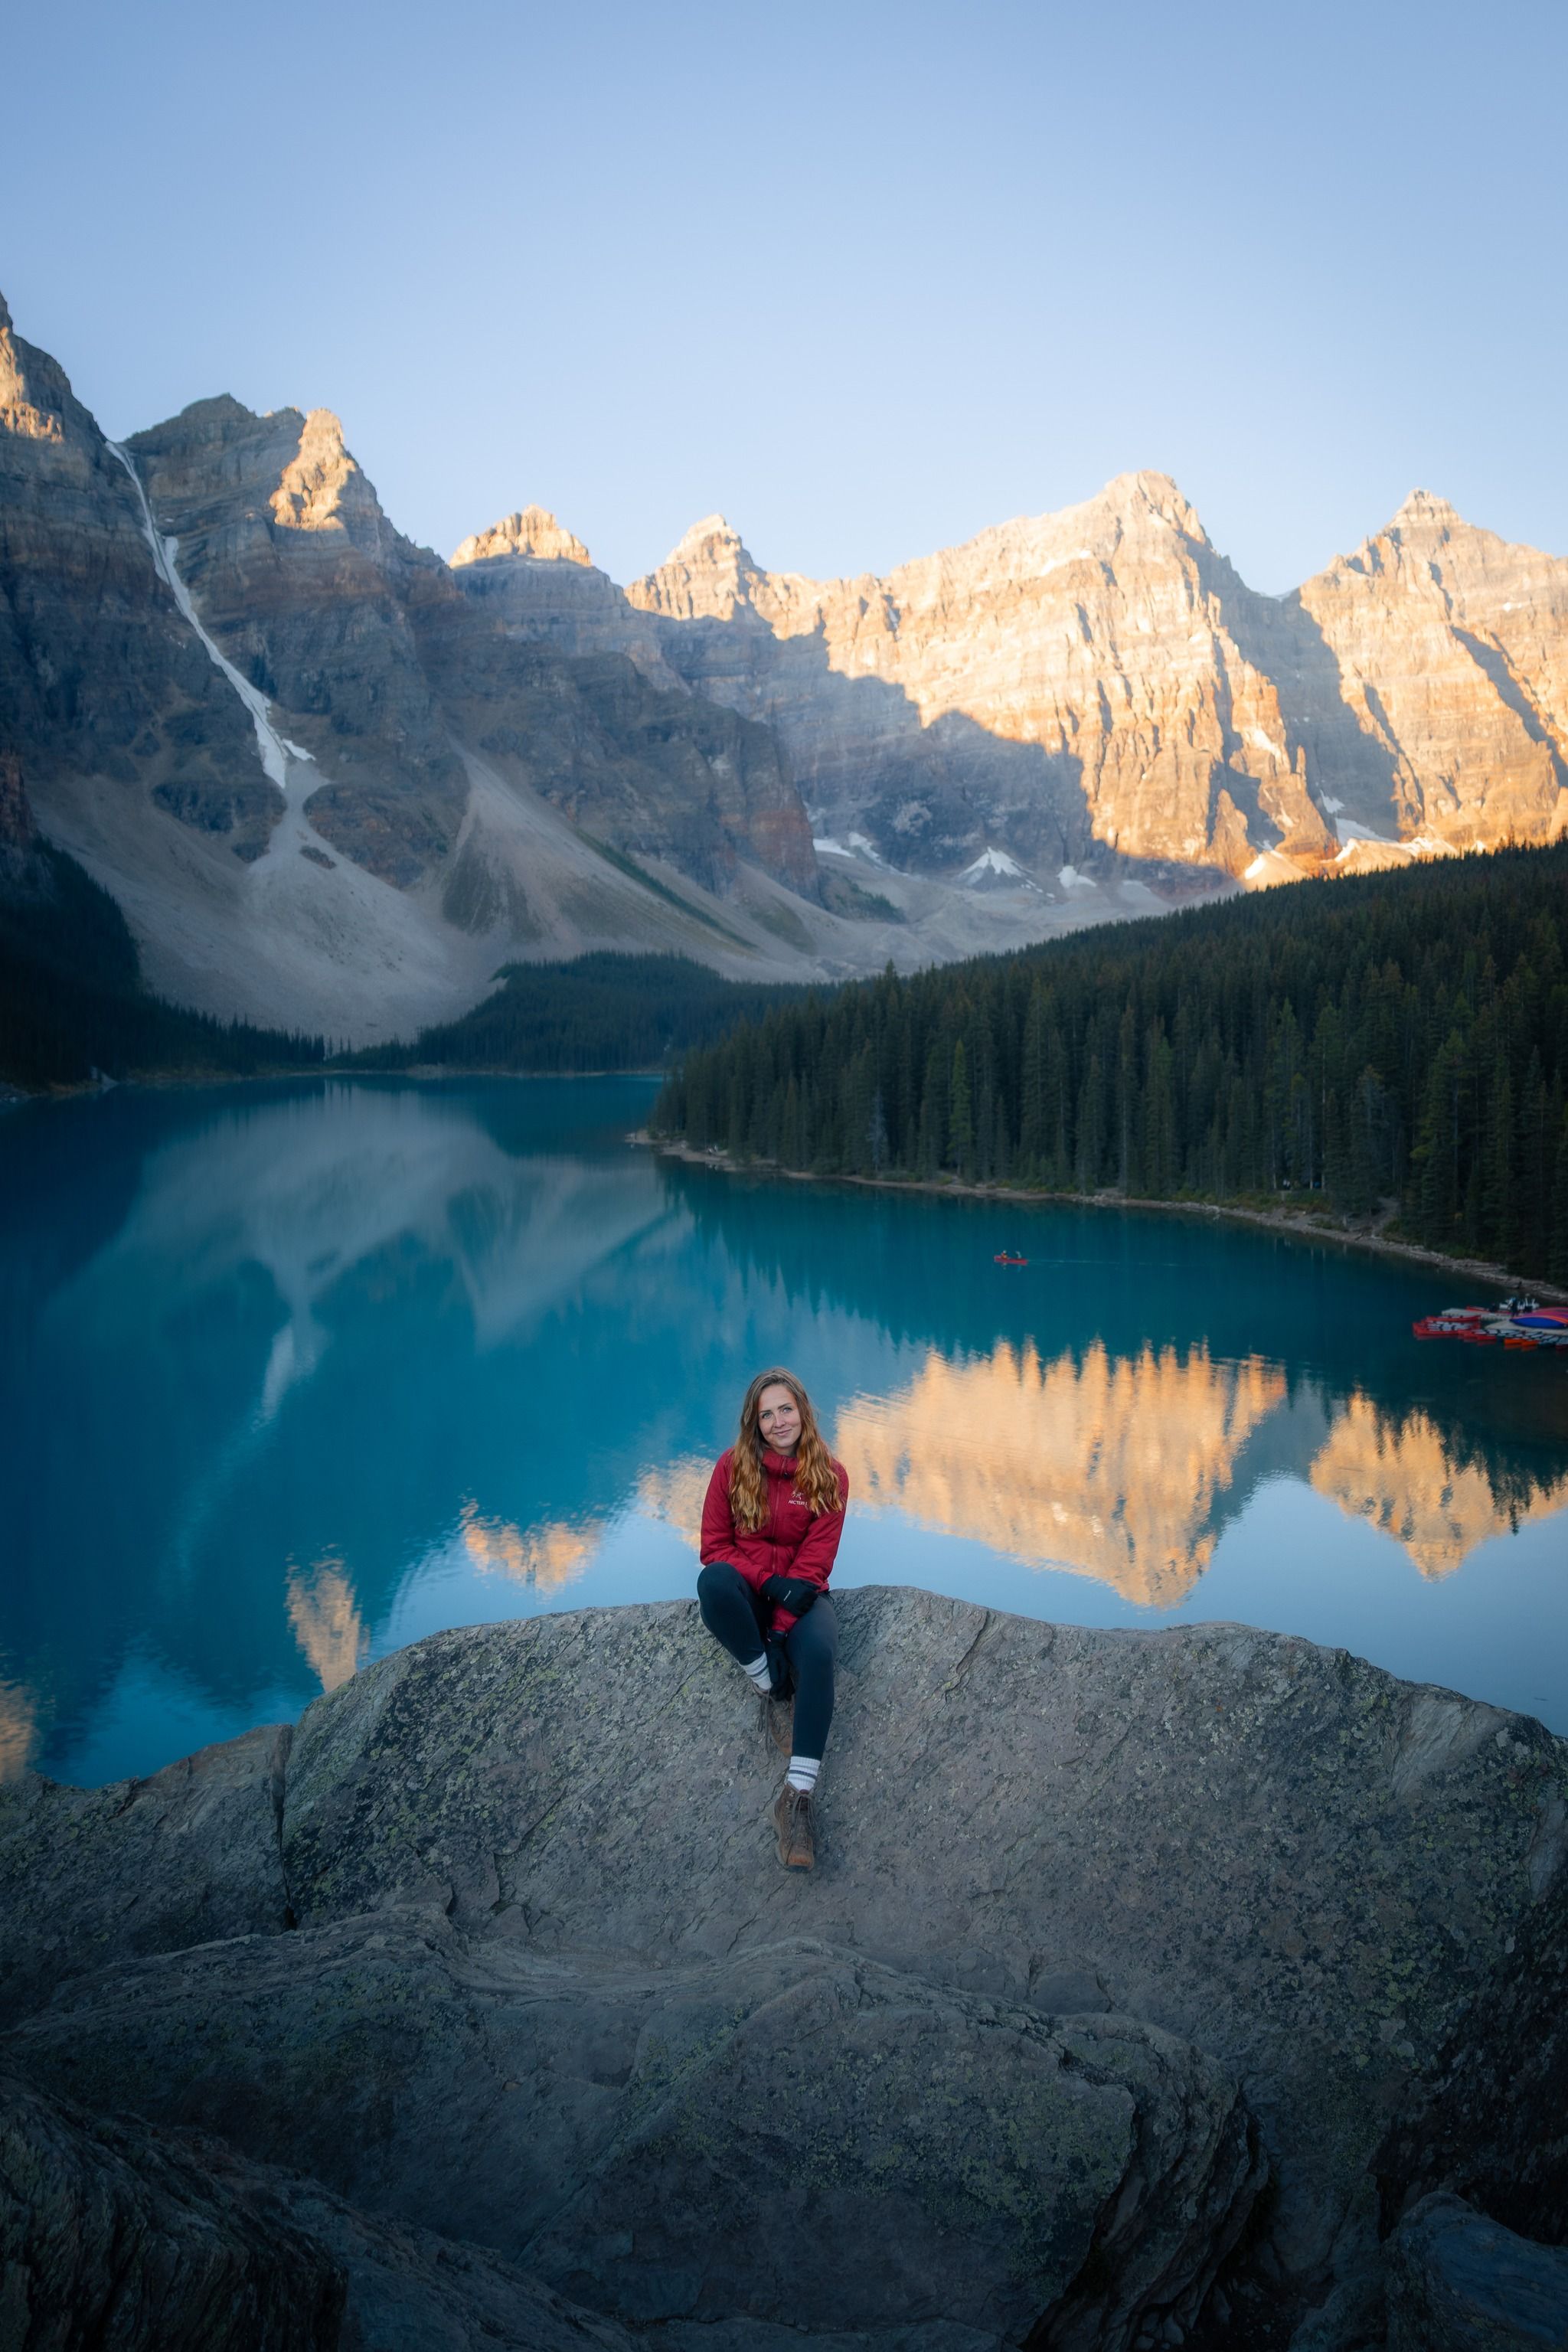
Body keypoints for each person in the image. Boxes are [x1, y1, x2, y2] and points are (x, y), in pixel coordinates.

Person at [696, 1367, 849, 1870]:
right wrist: (768, 1584)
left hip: (802, 1597)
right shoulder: (730, 1468)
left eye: (786, 1409)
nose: (779, 1422)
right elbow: (714, 1548)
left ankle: (797, 1797)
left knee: (819, 1654)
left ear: (803, 1411)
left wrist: (781, 1631)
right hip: (752, 1589)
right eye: (767, 1415)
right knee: (714, 1583)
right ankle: (769, 1685)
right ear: (754, 1423)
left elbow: (815, 1561)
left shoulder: (830, 1475)